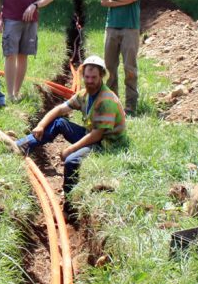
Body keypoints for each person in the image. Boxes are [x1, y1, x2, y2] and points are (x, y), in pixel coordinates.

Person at [14, 55, 127, 195]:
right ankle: (22, 145)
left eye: (94, 77)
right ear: (83, 76)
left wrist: (70, 150)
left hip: (106, 144)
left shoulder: (106, 101)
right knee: (60, 122)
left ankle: (69, 203)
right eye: (87, 77)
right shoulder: (85, 94)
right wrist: (41, 125)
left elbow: (97, 135)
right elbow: (60, 109)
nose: (90, 81)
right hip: (92, 135)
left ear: (101, 76)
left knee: (71, 161)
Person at [100, 0, 145, 113]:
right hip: (111, 27)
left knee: (130, 68)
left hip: (130, 28)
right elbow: (103, 1)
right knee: (110, 68)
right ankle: (113, 104)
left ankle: (131, 106)